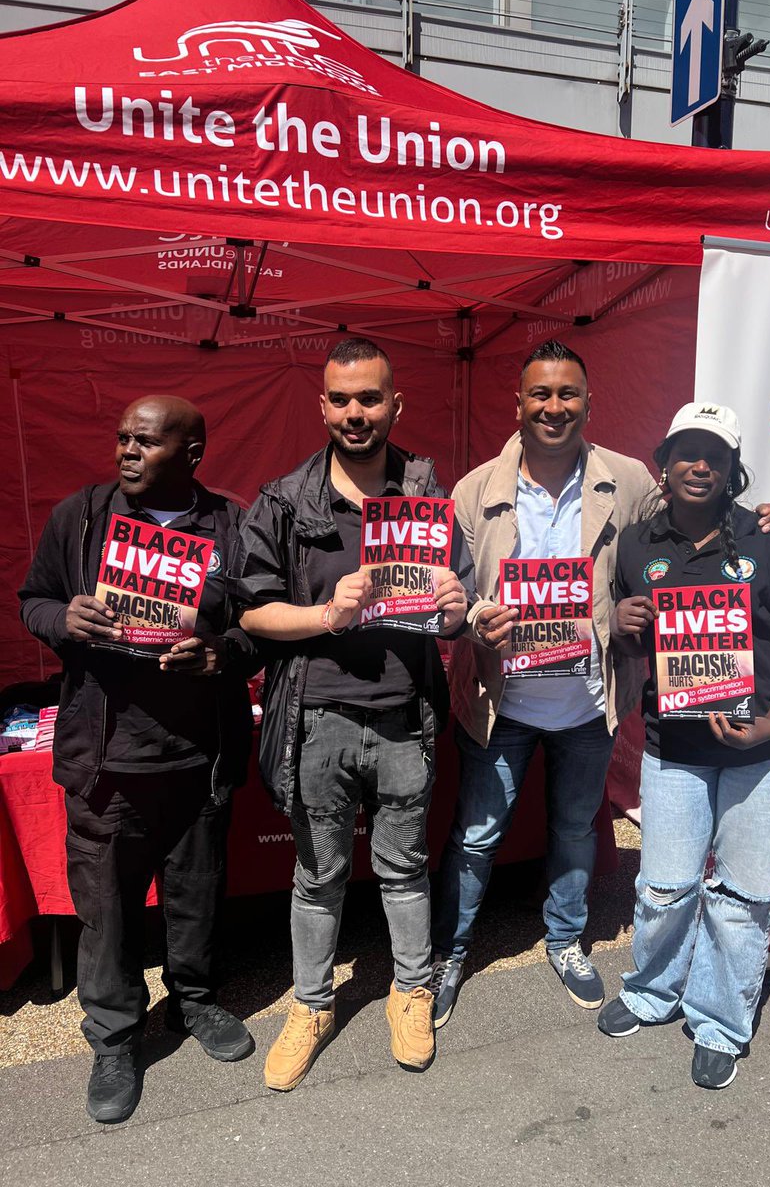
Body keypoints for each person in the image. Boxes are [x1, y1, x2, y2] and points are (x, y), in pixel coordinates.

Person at [429, 341, 770, 1028]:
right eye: (540, 394)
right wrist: (477, 621)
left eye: (568, 394)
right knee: (477, 836)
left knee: (575, 828)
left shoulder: (629, 479)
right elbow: (451, 594)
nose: (553, 406)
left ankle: (566, 940)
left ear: (588, 403)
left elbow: (700, 516)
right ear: (518, 404)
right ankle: (449, 955)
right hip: (500, 699)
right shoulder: (473, 489)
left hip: (589, 700)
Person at [232, 337, 473, 1091]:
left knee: (403, 870)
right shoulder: (284, 500)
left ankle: (411, 990)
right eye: (341, 399)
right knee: (318, 875)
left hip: (405, 718)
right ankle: (311, 1005)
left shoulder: (430, 495)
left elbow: (457, 607)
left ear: (395, 404)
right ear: (323, 406)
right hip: (319, 721)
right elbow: (253, 617)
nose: (355, 413)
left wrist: (457, 608)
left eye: (370, 398)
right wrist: (325, 616)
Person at [19, 395, 258, 1124]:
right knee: (108, 914)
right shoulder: (80, 517)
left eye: (146, 442)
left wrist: (224, 653)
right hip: (107, 763)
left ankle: (194, 1002)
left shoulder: (233, 525)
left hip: (197, 758)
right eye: (122, 438)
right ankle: (115, 1037)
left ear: (192, 454)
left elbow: (262, 625)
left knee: (196, 894)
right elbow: (33, 601)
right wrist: (65, 618)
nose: (126, 451)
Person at [596, 401, 770, 1090]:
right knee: (664, 885)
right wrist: (624, 618)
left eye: (716, 456)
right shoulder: (638, 543)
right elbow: (634, 634)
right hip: (677, 746)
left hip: (769, 752)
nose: (700, 466)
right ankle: (652, 990)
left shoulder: (768, 539)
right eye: (687, 452)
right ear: (663, 462)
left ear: (732, 470)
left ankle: (720, 1020)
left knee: (741, 896)